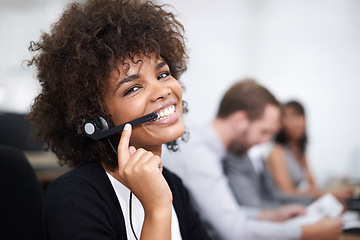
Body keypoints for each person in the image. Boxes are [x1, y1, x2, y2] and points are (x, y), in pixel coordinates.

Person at [27, 0, 210, 239]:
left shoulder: (172, 184)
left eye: (163, 74)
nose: (163, 91)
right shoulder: (74, 198)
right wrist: (157, 209)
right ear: (96, 118)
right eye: (133, 88)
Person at [163, 80, 342, 240]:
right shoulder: (198, 153)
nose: (265, 142)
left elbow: (230, 215)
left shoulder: (211, 148)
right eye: (264, 132)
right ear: (240, 120)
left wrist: (273, 214)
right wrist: (306, 232)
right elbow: (234, 231)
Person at [267, 100, 353, 202]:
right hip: (283, 206)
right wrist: (332, 193)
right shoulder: (276, 152)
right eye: (290, 117)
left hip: (300, 202)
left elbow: (313, 186)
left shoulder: (300, 151)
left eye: (300, 116)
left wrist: (331, 193)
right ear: (281, 123)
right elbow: (288, 193)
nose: (297, 122)